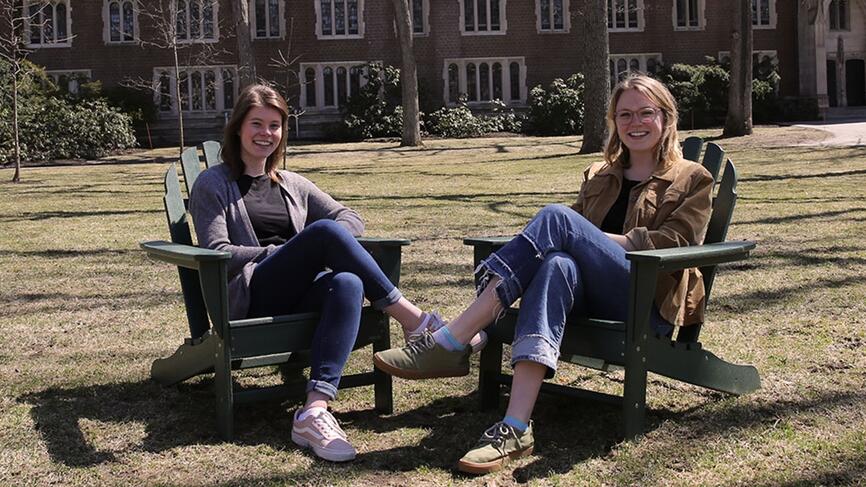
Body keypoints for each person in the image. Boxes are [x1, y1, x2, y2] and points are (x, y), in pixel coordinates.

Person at [373, 74, 714, 474]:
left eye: (645, 113)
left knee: (557, 219)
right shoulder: (600, 175)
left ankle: (453, 339)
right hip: (590, 293)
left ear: (666, 118)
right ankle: (515, 427)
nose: (634, 122)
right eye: (624, 114)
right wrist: (578, 239)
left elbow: (677, 241)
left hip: (644, 298)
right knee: (556, 264)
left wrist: (593, 238)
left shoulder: (693, 178)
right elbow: (564, 244)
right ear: (614, 121)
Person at [188, 84, 485, 463]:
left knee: (347, 281)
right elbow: (218, 252)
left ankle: (314, 410)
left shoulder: (291, 183)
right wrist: (285, 252)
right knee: (323, 234)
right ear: (238, 128)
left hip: (299, 288)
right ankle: (419, 322)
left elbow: (351, 218)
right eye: (257, 124)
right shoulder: (213, 184)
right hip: (251, 292)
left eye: (275, 125)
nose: (266, 133)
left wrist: (314, 253)